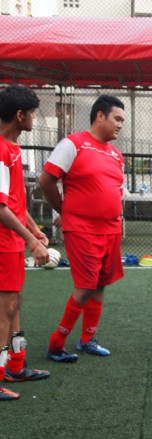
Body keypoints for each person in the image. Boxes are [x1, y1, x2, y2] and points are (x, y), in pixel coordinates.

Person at [40, 95, 126, 362]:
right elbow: (46, 181)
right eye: (117, 119)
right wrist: (64, 211)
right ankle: (56, 344)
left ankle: (88, 339)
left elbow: (114, 191)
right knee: (86, 285)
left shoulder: (116, 155)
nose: (120, 125)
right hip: (82, 229)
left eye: (122, 120)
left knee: (99, 285)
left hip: (111, 230)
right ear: (100, 116)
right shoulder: (73, 144)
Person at [0, 85, 51, 400]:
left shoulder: (13, 148)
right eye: (32, 113)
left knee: (13, 304)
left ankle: (16, 366)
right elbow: (0, 208)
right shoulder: (1, 151)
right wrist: (33, 240)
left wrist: (35, 228)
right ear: (19, 115)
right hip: (3, 243)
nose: (34, 118)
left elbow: (15, 203)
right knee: (4, 310)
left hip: (12, 241)